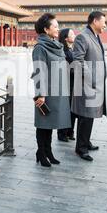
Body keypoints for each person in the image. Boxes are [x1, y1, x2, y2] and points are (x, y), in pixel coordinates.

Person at [31, 13, 71, 167]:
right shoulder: (40, 48)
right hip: (46, 93)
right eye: (55, 26)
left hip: (58, 91)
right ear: (46, 29)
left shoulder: (57, 45)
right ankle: (41, 152)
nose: (58, 28)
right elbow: (39, 71)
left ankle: (48, 151)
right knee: (43, 123)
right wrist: (41, 94)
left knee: (51, 123)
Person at [71, 11, 107, 161]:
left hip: (95, 85)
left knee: (90, 116)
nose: (105, 25)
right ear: (95, 21)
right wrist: (91, 78)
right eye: (103, 22)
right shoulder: (82, 36)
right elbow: (77, 60)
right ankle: (81, 148)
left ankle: (86, 141)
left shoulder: (95, 36)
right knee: (85, 116)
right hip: (86, 85)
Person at [57, 28, 77, 142]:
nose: (74, 35)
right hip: (66, 84)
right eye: (72, 34)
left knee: (72, 109)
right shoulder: (63, 52)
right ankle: (62, 133)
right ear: (66, 38)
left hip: (74, 84)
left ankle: (70, 131)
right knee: (65, 109)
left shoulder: (72, 49)